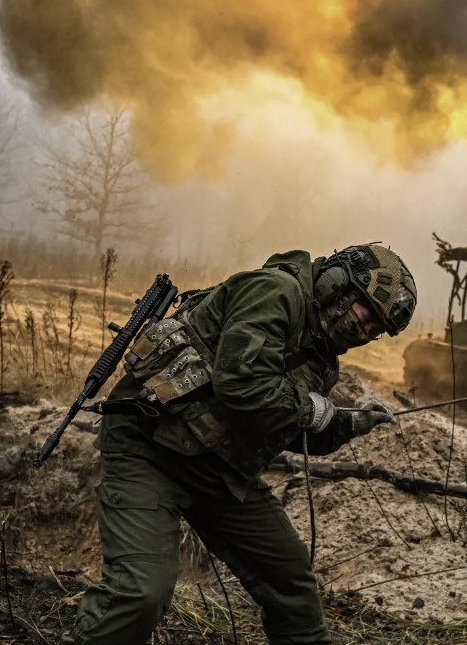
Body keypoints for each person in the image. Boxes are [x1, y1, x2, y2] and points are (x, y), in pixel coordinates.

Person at [61, 244, 417, 645]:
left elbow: (294, 431)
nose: (366, 332)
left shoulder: (322, 360)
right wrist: (314, 410)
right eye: (367, 314)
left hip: (221, 471)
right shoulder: (273, 292)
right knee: (139, 593)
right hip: (151, 450)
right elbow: (242, 386)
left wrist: (349, 422)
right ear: (339, 286)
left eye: (376, 330)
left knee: (291, 582)